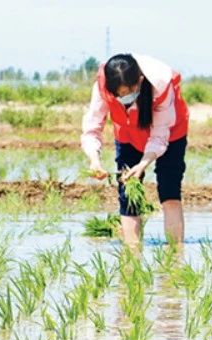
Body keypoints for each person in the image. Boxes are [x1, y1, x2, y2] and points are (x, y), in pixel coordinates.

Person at [80, 53, 189, 248]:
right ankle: (132, 255)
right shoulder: (104, 85)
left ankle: (176, 256)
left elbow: (159, 135)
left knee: (169, 191)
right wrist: (94, 161)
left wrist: (143, 163)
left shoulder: (160, 83)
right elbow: (92, 128)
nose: (124, 98)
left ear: (139, 81)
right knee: (128, 193)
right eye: (119, 95)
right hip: (128, 134)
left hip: (170, 133)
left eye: (128, 92)